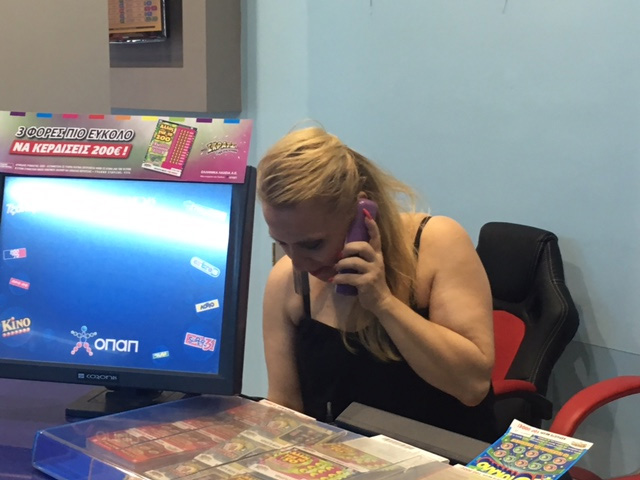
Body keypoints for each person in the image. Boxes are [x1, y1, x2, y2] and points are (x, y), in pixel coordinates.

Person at [257, 126, 498, 442]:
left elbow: (472, 386)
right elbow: (285, 408)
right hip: (343, 459)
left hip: (449, 456)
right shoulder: (286, 281)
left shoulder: (437, 243)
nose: (298, 262)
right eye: (282, 244)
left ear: (362, 212)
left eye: (312, 244)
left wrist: (383, 303)